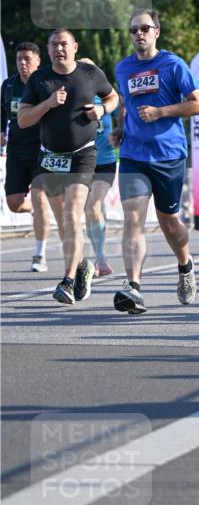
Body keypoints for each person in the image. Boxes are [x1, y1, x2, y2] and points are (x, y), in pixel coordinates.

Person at [113, 8, 199, 315]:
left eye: (144, 28)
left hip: (168, 155)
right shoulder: (122, 68)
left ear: (156, 32)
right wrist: (118, 128)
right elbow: (125, 103)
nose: (138, 34)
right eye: (133, 30)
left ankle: (185, 264)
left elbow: (198, 105)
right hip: (133, 155)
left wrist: (161, 112)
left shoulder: (173, 64)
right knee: (133, 219)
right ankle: (133, 288)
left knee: (169, 223)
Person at [17, 29, 118, 304]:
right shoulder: (40, 79)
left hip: (83, 154)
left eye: (63, 44)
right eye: (53, 45)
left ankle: (68, 280)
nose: (58, 49)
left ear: (74, 47)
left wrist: (102, 110)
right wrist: (47, 104)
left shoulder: (90, 73)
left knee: (74, 214)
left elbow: (113, 97)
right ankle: (82, 263)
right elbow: (23, 119)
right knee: (64, 223)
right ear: (48, 50)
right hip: (50, 157)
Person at [1, 42, 59, 271]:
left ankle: (39, 255)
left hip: (41, 148)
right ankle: (38, 210)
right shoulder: (8, 85)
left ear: (37, 60)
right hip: (16, 149)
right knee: (14, 204)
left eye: (27, 59)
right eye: (19, 59)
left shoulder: (45, 83)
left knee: (39, 196)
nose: (23, 63)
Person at [78, 59, 116, 277]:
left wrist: (120, 135)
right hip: (82, 162)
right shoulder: (73, 98)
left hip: (105, 161)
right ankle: (99, 255)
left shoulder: (108, 97)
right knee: (90, 211)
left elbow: (124, 120)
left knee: (93, 206)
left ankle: (101, 259)